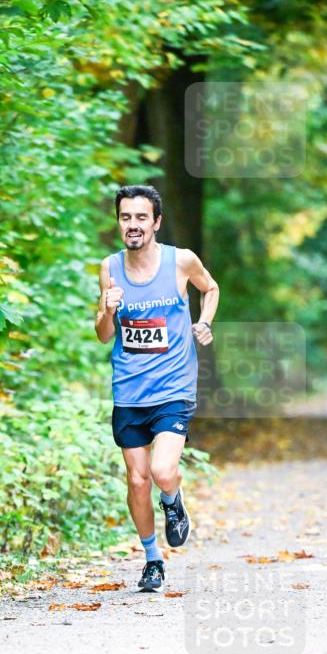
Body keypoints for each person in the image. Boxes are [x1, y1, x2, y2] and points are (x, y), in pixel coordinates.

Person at [95, 185, 219, 592]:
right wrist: (108, 310)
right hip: (129, 390)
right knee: (136, 480)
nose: (133, 225)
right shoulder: (110, 268)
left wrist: (204, 322)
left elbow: (210, 288)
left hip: (173, 386)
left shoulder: (181, 261)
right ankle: (152, 560)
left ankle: (172, 500)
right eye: (126, 217)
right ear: (119, 222)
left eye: (141, 217)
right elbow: (103, 334)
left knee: (163, 471)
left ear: (156, 222)